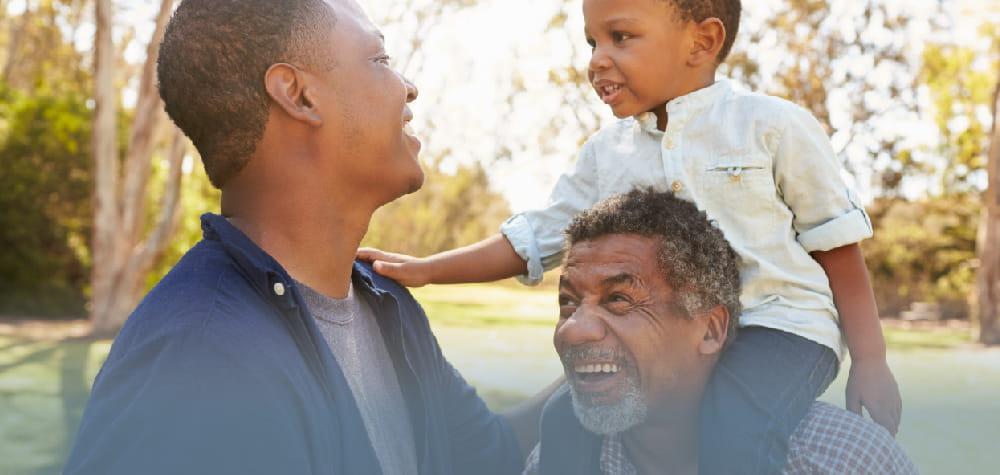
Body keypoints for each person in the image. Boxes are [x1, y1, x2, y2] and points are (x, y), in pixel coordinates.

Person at [358, 0, 902, 472]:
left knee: (736, 422)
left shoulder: (772, 126)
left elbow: (838, 249)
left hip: (777, 328)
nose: (597, 58)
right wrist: (429, 269)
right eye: (592, 40)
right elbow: (537, 236)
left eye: (621, 37)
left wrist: (871, 363)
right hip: (671, 339)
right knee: (561, 420)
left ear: (702, 41)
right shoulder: (605, 153)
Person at [63, 0, 551, 473]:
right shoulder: (202, 360)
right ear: (298, 94)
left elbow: (490, 455)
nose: (410, 88)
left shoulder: (387, 306)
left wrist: (609, 357)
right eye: (380, 59)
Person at [521, 188, 916, 475]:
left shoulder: (845, 461)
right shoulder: (556, 461)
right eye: (568, 303)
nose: (572, 331)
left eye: (619, 300)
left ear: (711, 329)